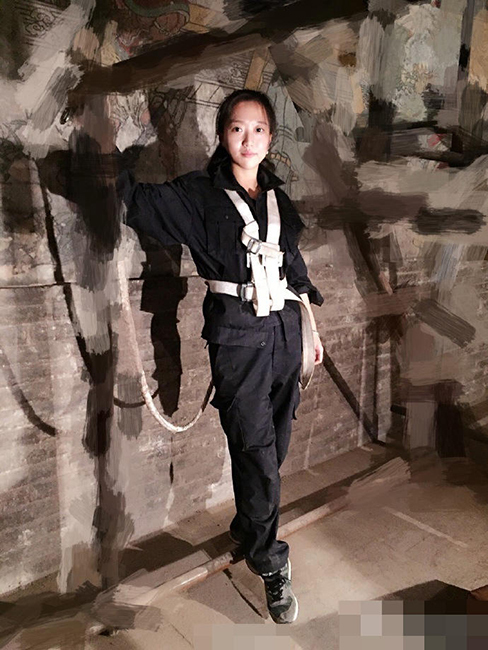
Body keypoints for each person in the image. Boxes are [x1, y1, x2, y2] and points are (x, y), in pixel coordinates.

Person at [117, 89, 324, 623]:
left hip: (286, 335)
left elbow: (294, 267)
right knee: (255, 450)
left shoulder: (278, 199)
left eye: (258, 129)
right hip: (238, 339)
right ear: (223, 135)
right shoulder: (198, 195)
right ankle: (269, 560)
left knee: (273, 446)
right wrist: (109, 152)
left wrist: (310, 327)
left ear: (270, 138)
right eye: (237, 128)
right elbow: (136, 202)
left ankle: (249, 526)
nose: (247, 139)